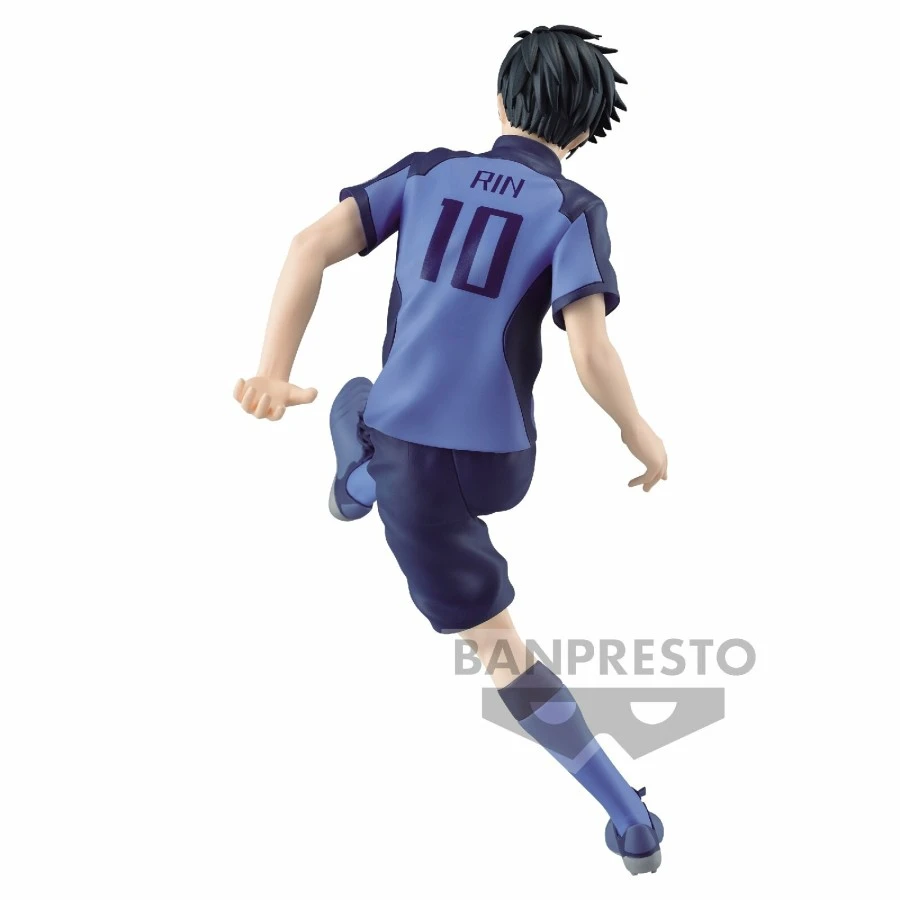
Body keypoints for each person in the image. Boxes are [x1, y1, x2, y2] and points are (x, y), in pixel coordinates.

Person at [234, 25, 668, 875]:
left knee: (497, 645)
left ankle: (630, 819)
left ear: (500, 101)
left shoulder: (426, 172)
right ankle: (629, 819)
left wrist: (274, 373)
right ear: (586, 133)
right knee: (363, 407)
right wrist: (637, 431)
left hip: (414, 459)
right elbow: (589, 350)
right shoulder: (574, 209)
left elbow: (308, 245)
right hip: (503, 462)